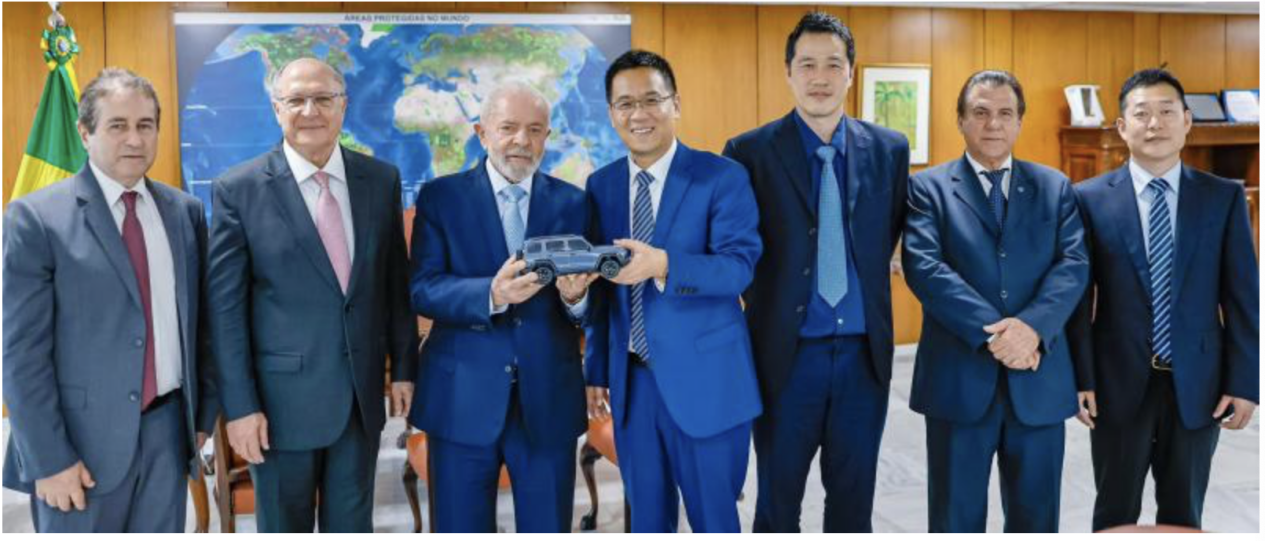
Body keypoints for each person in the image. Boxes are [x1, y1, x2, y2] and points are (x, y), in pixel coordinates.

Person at [2, 67, 218, 532]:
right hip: (78, 448)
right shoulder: (36, 219)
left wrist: (200, 417)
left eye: (145, 125)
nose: (134, 139)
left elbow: (201, 324)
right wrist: (49, 459)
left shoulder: (185, 213)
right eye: (117, 125)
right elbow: (21, 354)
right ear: (85, 132)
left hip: (167, 436)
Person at [207, 57, 417, 532]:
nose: (310, 111)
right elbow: (225, 313)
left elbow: (394, 285)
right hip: (278, 411)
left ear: (343, 105)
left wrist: (404, 367)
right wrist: (239, 408)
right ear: (276, 108)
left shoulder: (380, 180)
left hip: (359, 403)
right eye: (296, 100)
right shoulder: (238, 190)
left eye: (323, 98)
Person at [723, 11, 910, 532]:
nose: (820, 77)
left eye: (833, 64)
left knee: (853, 508)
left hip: (862, 360)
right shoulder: (748, 152)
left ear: (851, 72)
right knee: (777, 506)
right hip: (784, 358)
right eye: (807, 65)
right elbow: (734, 249)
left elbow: (892, 230)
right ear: (788, 72)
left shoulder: (890, 150)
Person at [1068, 68, 1259, 532]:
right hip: (1116, 383)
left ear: (1187, 121)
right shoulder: (1088, 199)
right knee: (1114, 513)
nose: (1155, 123)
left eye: (1167, 111)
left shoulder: (1223, 198)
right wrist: (1081, 377)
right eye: (1142, 113)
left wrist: (1245, 382)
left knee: (1184, 516)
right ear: (1122, 126)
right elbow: (1077, 299)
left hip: (1199, 383)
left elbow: (1243, 300)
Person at [583, 49, 763, 533]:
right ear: (611, 114)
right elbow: (601, 293)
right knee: (647, 521)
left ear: (675, 104)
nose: (638, 114)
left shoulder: (721, 176)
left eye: (651, 99)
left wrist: (663, 265)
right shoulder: (601, 185)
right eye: (625, 104)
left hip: (708, 382)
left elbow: (738, 268)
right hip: (633, 383)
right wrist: (596, 368)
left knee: (714, 521)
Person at [901, 70, 1089, 532]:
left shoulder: (1054, 187)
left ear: (1020, 121)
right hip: (958, 382)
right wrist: (1000, 336)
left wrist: (1030, 330)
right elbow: (925, 269)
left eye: (1005, 113)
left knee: (1036, 521)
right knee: (954, 521)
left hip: (1038, 380)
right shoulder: (927, 188)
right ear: (960, 120)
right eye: (980, 112)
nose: (993, 124)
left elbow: (1073, 265)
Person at [408, 82, 593, 532]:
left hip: (548, 400)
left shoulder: (575, 203)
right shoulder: (440, 198)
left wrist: (575, 298)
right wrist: (491, 294)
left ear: (547, 136)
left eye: (535, 130)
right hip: (460, 399)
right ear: (482, 132)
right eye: (508, 127)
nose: (521, 140)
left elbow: (594, 304)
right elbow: (423, 289)